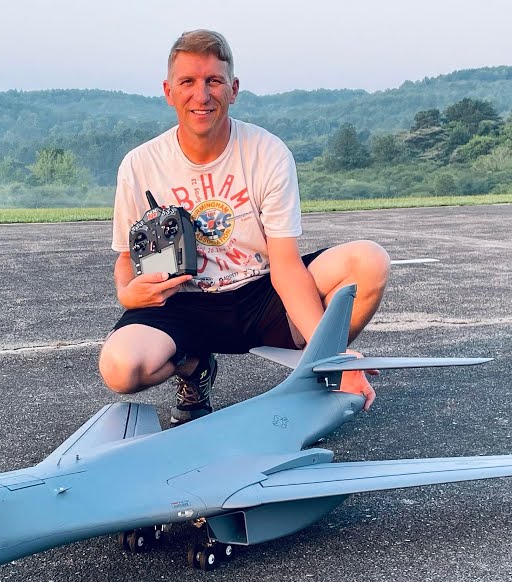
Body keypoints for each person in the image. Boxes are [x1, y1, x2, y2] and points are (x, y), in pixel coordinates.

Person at [99, 29, 390, 424]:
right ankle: (194, 368)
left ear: (233, 89)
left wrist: (331, 354)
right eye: (188, 82)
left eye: (213, 81)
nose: (202, 95)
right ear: (168, 91)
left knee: (369, 262)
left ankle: (319, 372)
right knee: (120, 368)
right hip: (183, 303)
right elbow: (124, 259)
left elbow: (286, 264)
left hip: (261, 294)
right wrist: (128, 294)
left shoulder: (267, 153)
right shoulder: (140, 165)